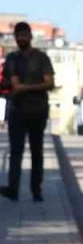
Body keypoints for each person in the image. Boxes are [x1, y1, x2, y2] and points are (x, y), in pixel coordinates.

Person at [1, 22, 55, 202]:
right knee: (15, 152)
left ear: (30, 36)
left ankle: (36, 190)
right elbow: (7, 83)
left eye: (24, 35)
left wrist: (25, 88)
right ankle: (12, 189)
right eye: (18, 36)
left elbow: (49, 83)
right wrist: (7, 86)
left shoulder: (41, 58)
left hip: (37, 110)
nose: (21, 39)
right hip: (17, 110)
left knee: (36, 152)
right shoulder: (11, 59)